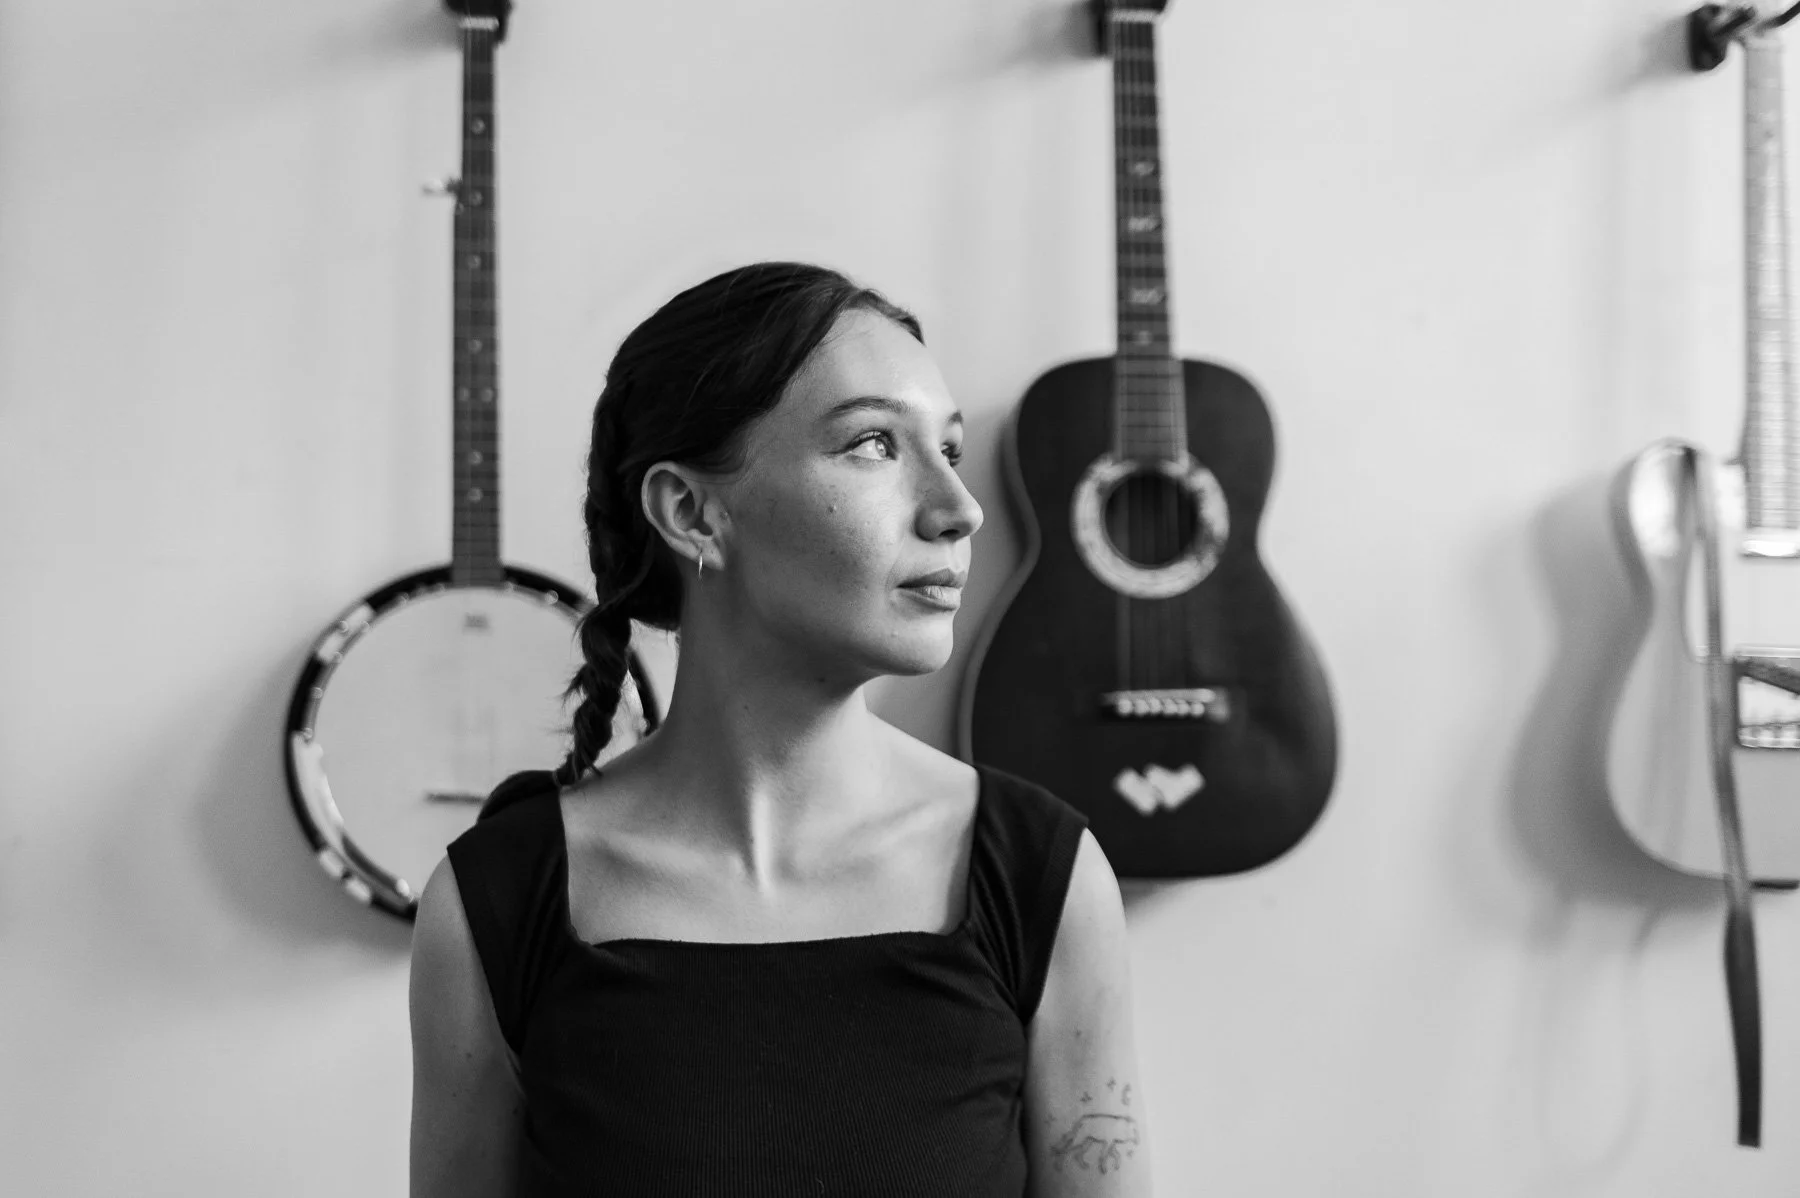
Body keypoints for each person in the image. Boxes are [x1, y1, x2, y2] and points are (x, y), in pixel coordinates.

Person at [407, 261, 1152, 1196]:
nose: (959, 511)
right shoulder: (496, 904)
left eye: (950, 450)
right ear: (691, 512)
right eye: (874, 443)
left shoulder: (1039, 874)